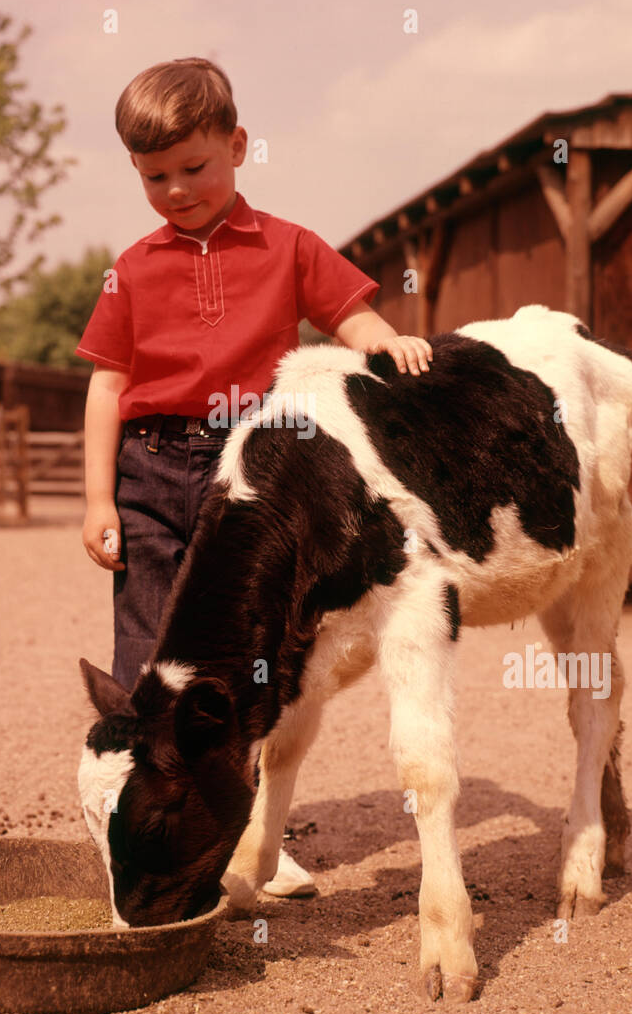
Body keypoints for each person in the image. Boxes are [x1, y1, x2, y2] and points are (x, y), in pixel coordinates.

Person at [77, 57, 433, 896]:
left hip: (250, 475)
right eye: (154, 175)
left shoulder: (289, 245)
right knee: (147, 653)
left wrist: (385, 341)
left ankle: (251, 833)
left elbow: (350, 314)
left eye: (194, 167)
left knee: (250, 659)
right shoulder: (129, 269)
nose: (176, 189)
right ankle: (143, 819)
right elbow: (108, 383)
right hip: (150, 469)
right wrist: (98, 498)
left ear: (237, 146)